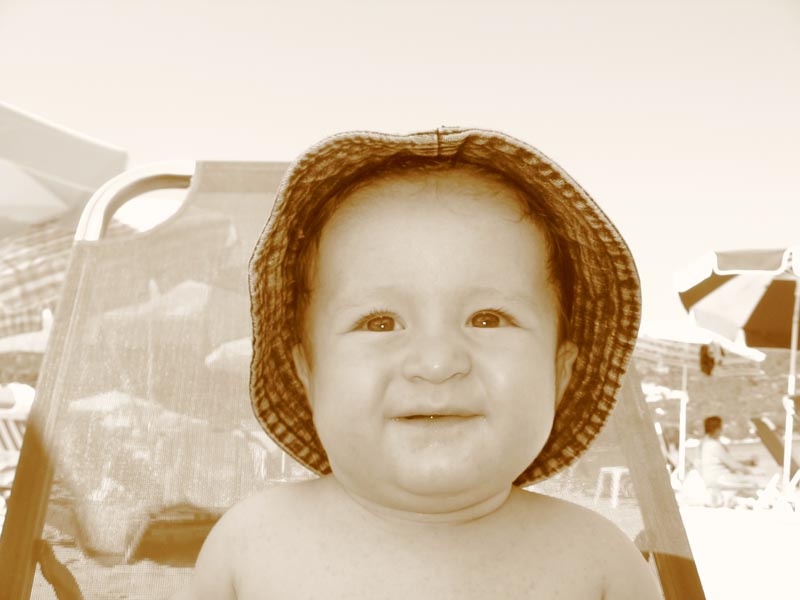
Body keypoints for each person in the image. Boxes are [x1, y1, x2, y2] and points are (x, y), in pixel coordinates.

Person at [172, 128, 661, 599]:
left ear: (560, 373)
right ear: (308, 374)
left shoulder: (600, 564)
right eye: (380, 322)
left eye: (488, 319)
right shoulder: (249, 547)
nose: (437, 362)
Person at [699, 415, 759, 500]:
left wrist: (747, 463)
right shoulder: (713, 445)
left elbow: (726, 461)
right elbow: (733, 465)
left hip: (711, 479)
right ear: (717, 429)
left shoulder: (705, 443)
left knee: (745, 484)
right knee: (752, 484)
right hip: (719, 479)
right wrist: (751, 472)